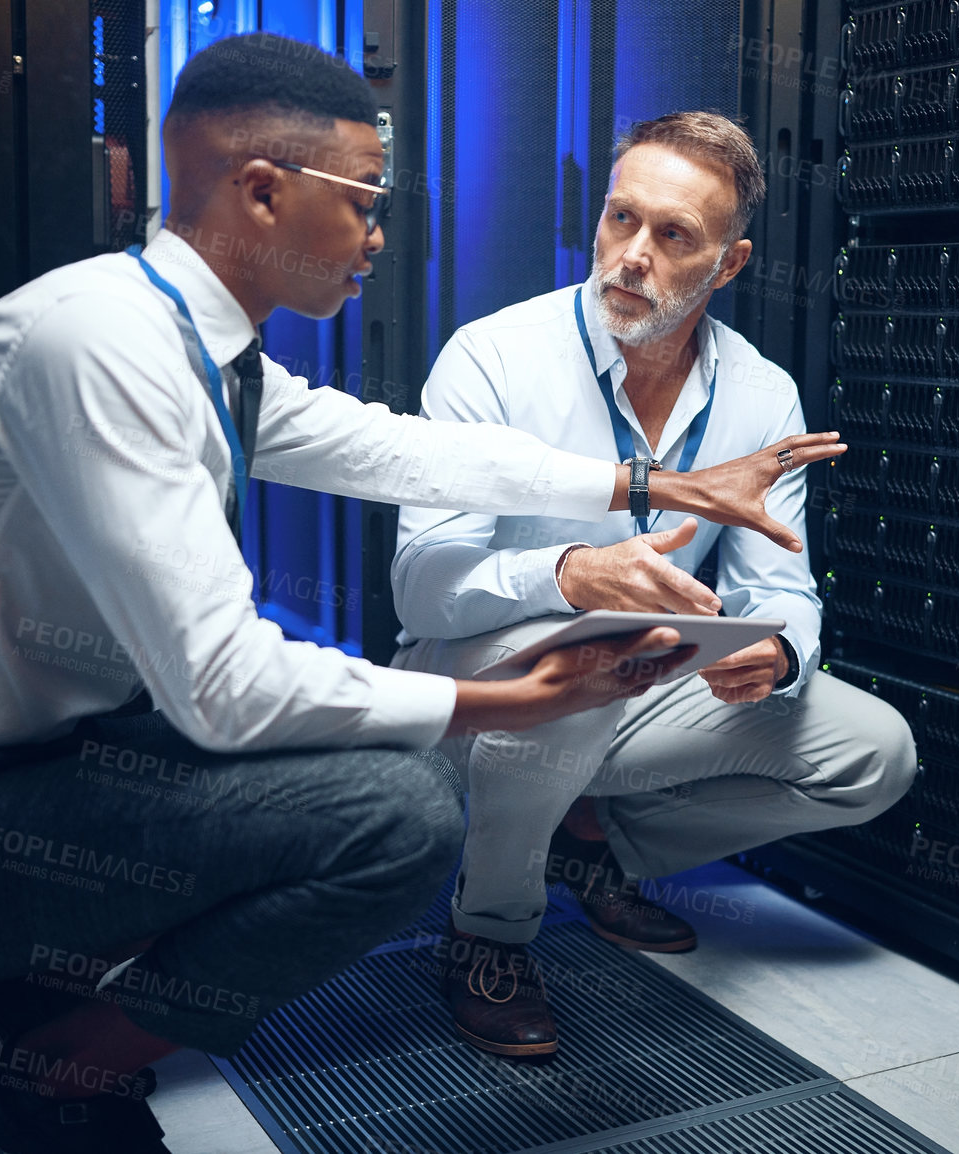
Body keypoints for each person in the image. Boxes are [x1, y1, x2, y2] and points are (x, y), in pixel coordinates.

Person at [0, 39, 841, 1154]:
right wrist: (513, 700)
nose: (378, 238)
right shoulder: (100, 345)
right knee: (400, 814)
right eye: (363, 204)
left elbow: (405, 454)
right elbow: (226, 690)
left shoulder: (202, 350)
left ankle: (32, 983)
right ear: (262, 191)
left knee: (347, 774)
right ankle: (54, 1067)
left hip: (19, 774)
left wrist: (646, 480)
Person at [391, 111, 918, 1059]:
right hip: (485, 688)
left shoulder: (762, 396)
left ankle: (593, 843)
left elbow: (782, 585)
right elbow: (421, 591)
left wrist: (779, 648)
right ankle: (490, 930)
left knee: (874, 755)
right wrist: (568, 574)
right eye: (619, 218)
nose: (631, 255)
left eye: (672, 235)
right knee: (590, 655)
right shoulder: (493, 358)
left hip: (639, 692)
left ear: (728, 264)